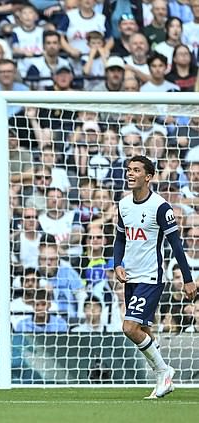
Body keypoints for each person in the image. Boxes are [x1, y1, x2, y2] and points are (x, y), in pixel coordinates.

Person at [113, 155, 197, 399]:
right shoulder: (124, 205)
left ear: (148, 177)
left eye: (136, 170)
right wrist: (117, 263)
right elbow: (120, 238)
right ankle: (162, 374)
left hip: (151, 277)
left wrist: (188, 279)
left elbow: (176, 245)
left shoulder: (160, 207)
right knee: (144, 330)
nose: (130, 173)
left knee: (129, 328)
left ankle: (164, 371)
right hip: (131, 277)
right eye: (129, 169)